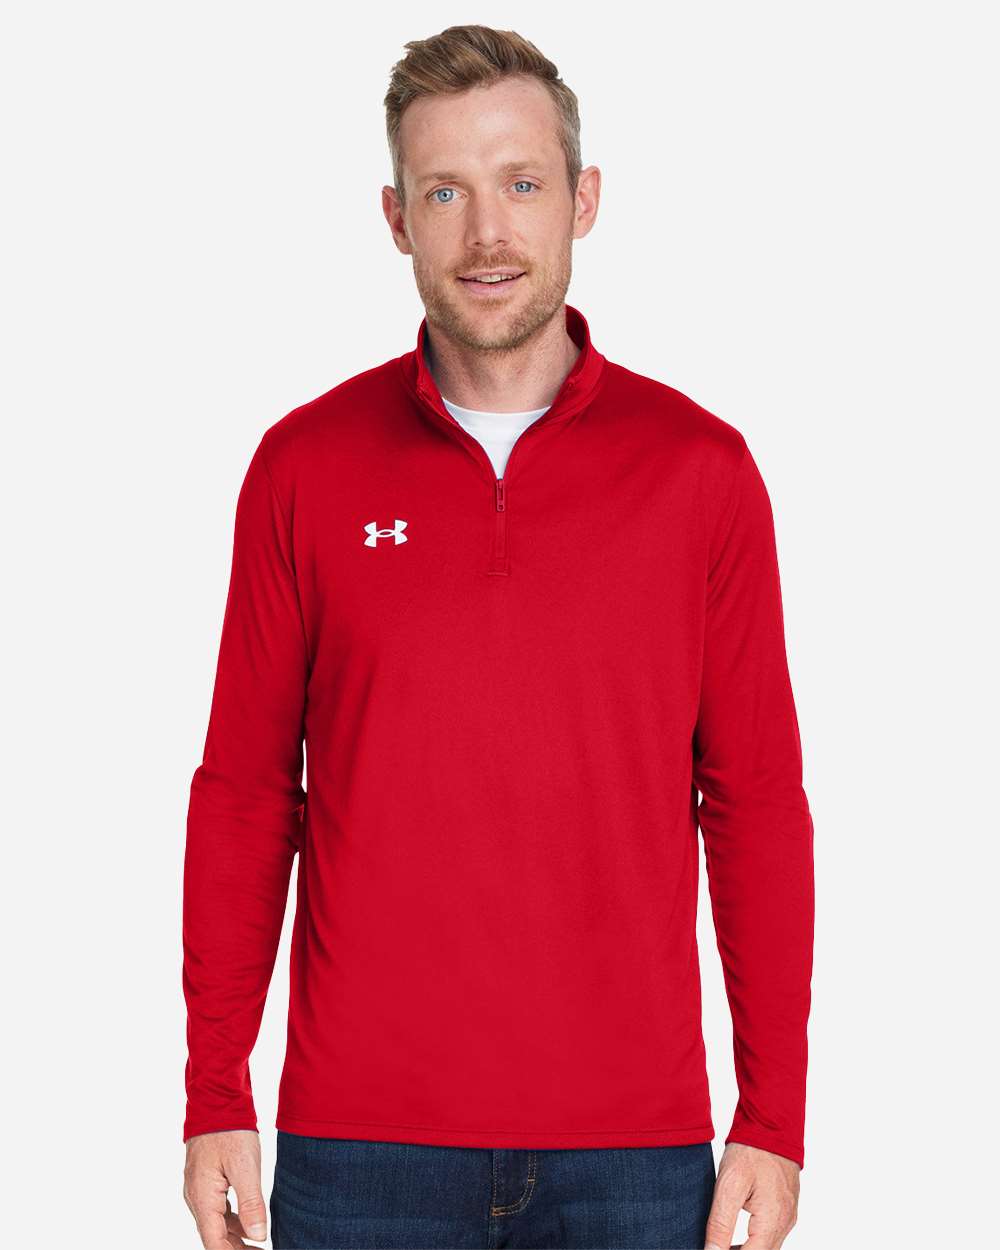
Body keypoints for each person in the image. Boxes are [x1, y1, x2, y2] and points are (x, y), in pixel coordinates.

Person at [181, 23, 814, 1250]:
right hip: (358, 1148)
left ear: (583, 199)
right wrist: (215, 1090)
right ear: (395, 217)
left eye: (521, 183)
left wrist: (773, 1113)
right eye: (444, 192)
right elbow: (247, 795)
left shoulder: (701, 472)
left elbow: (754, 803)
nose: (486, 233)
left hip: (634, 1152)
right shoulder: (303, 466)